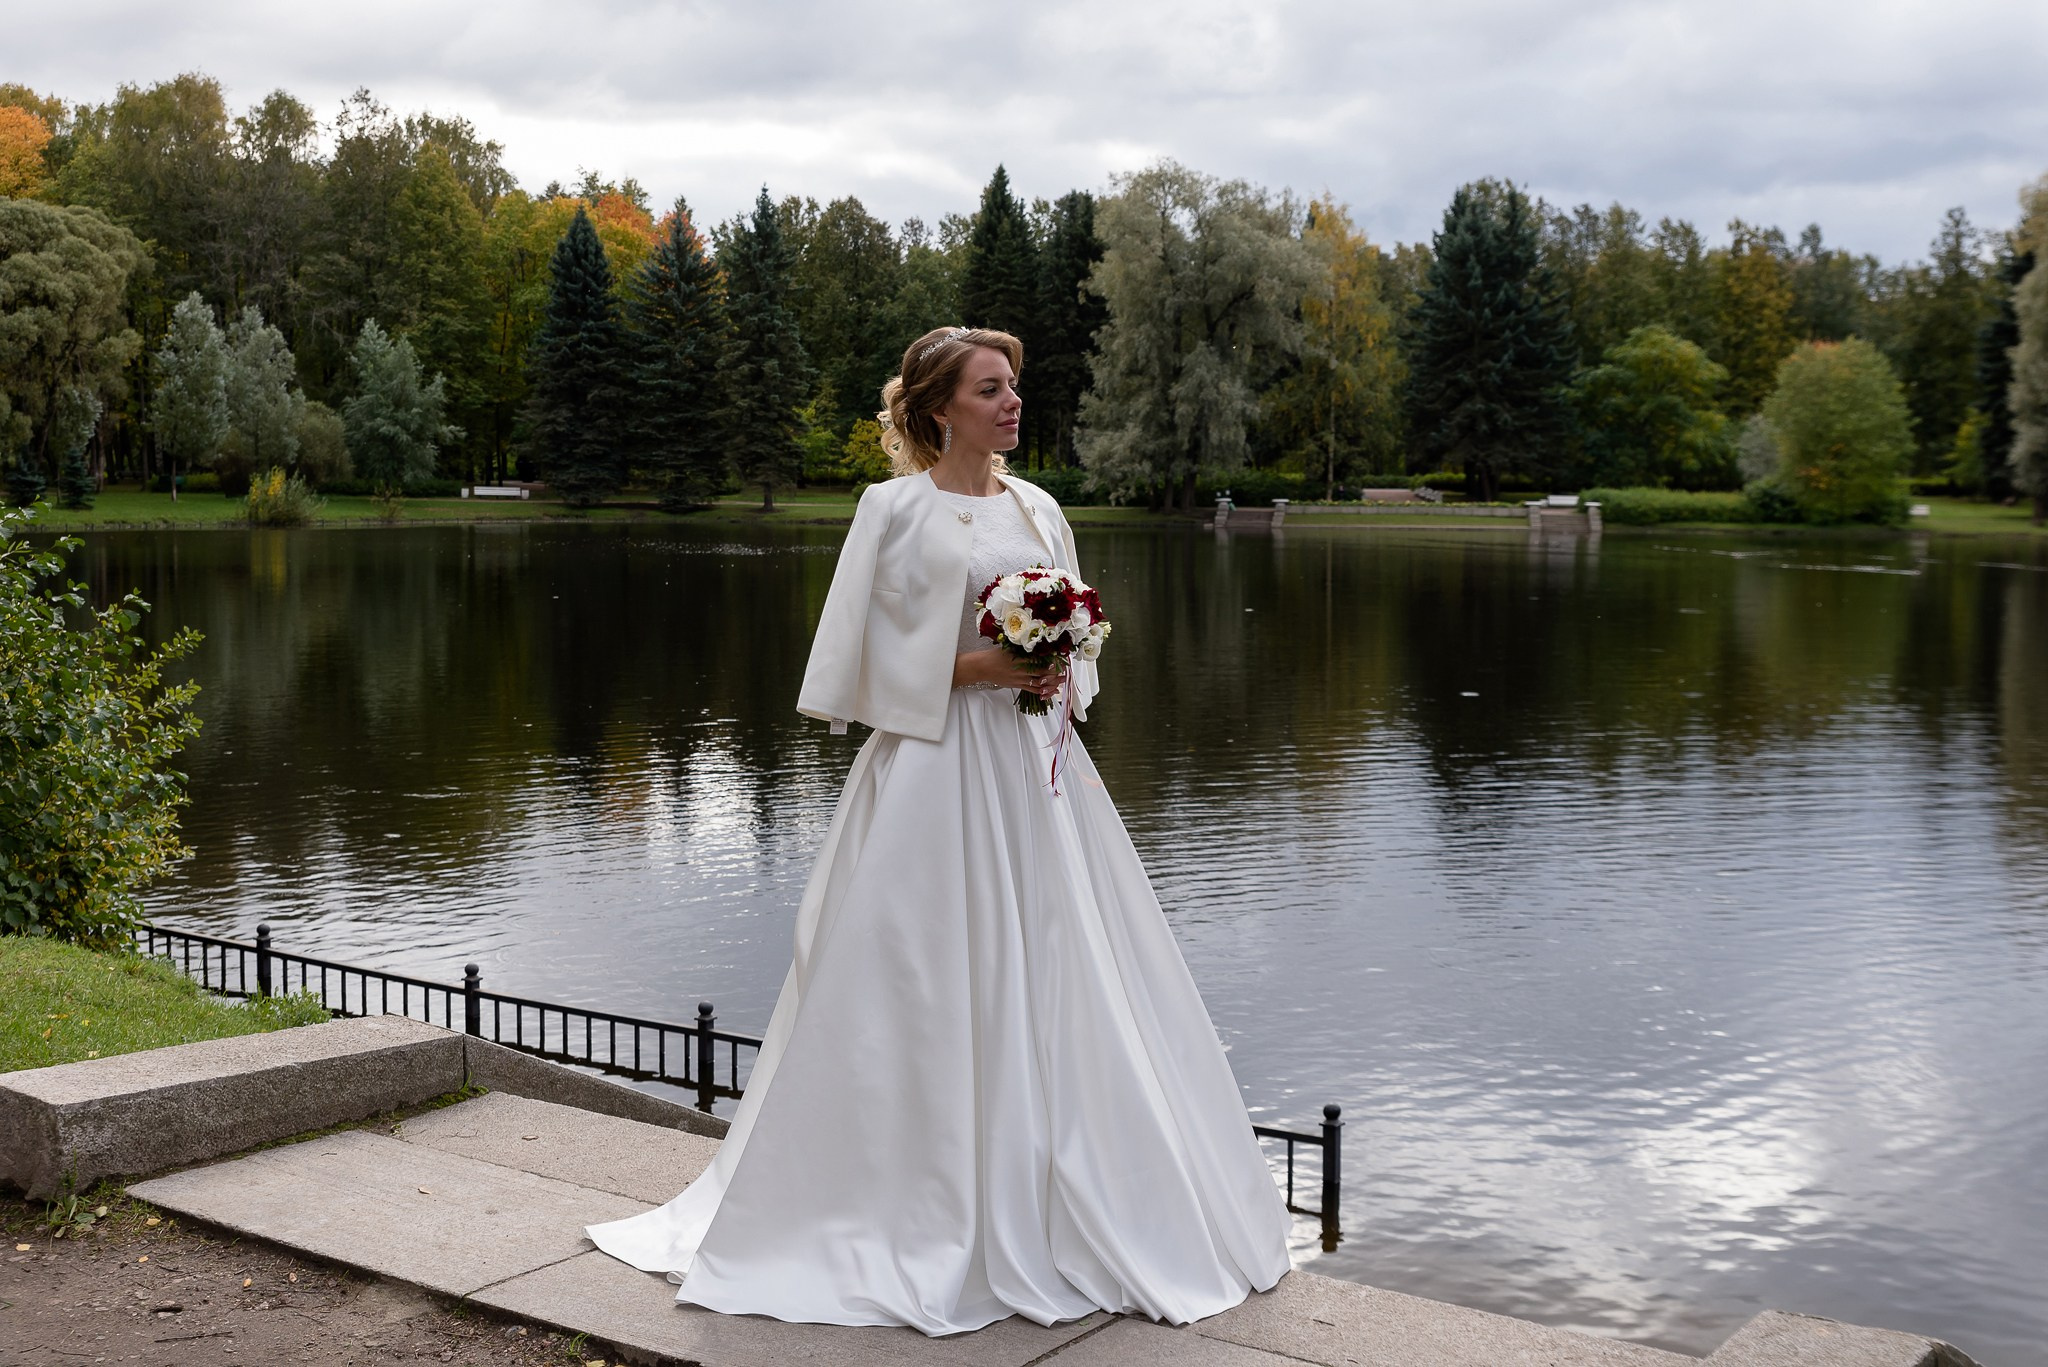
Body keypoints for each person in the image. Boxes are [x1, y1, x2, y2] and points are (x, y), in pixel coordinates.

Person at [585, 325, 1293, 1335]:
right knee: (915, 979)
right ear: (936, 409)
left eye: (1012, 387)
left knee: (1060, 968)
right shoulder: (891, 509)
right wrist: (977, 669)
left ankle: (1066, 1198)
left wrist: (1056, 661)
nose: (1011, 403)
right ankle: (904, 1205)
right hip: (930, 775)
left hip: (1035, 780)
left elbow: (1074, 638)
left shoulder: (1039, 506)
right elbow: (850, 667)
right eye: (989, 389)